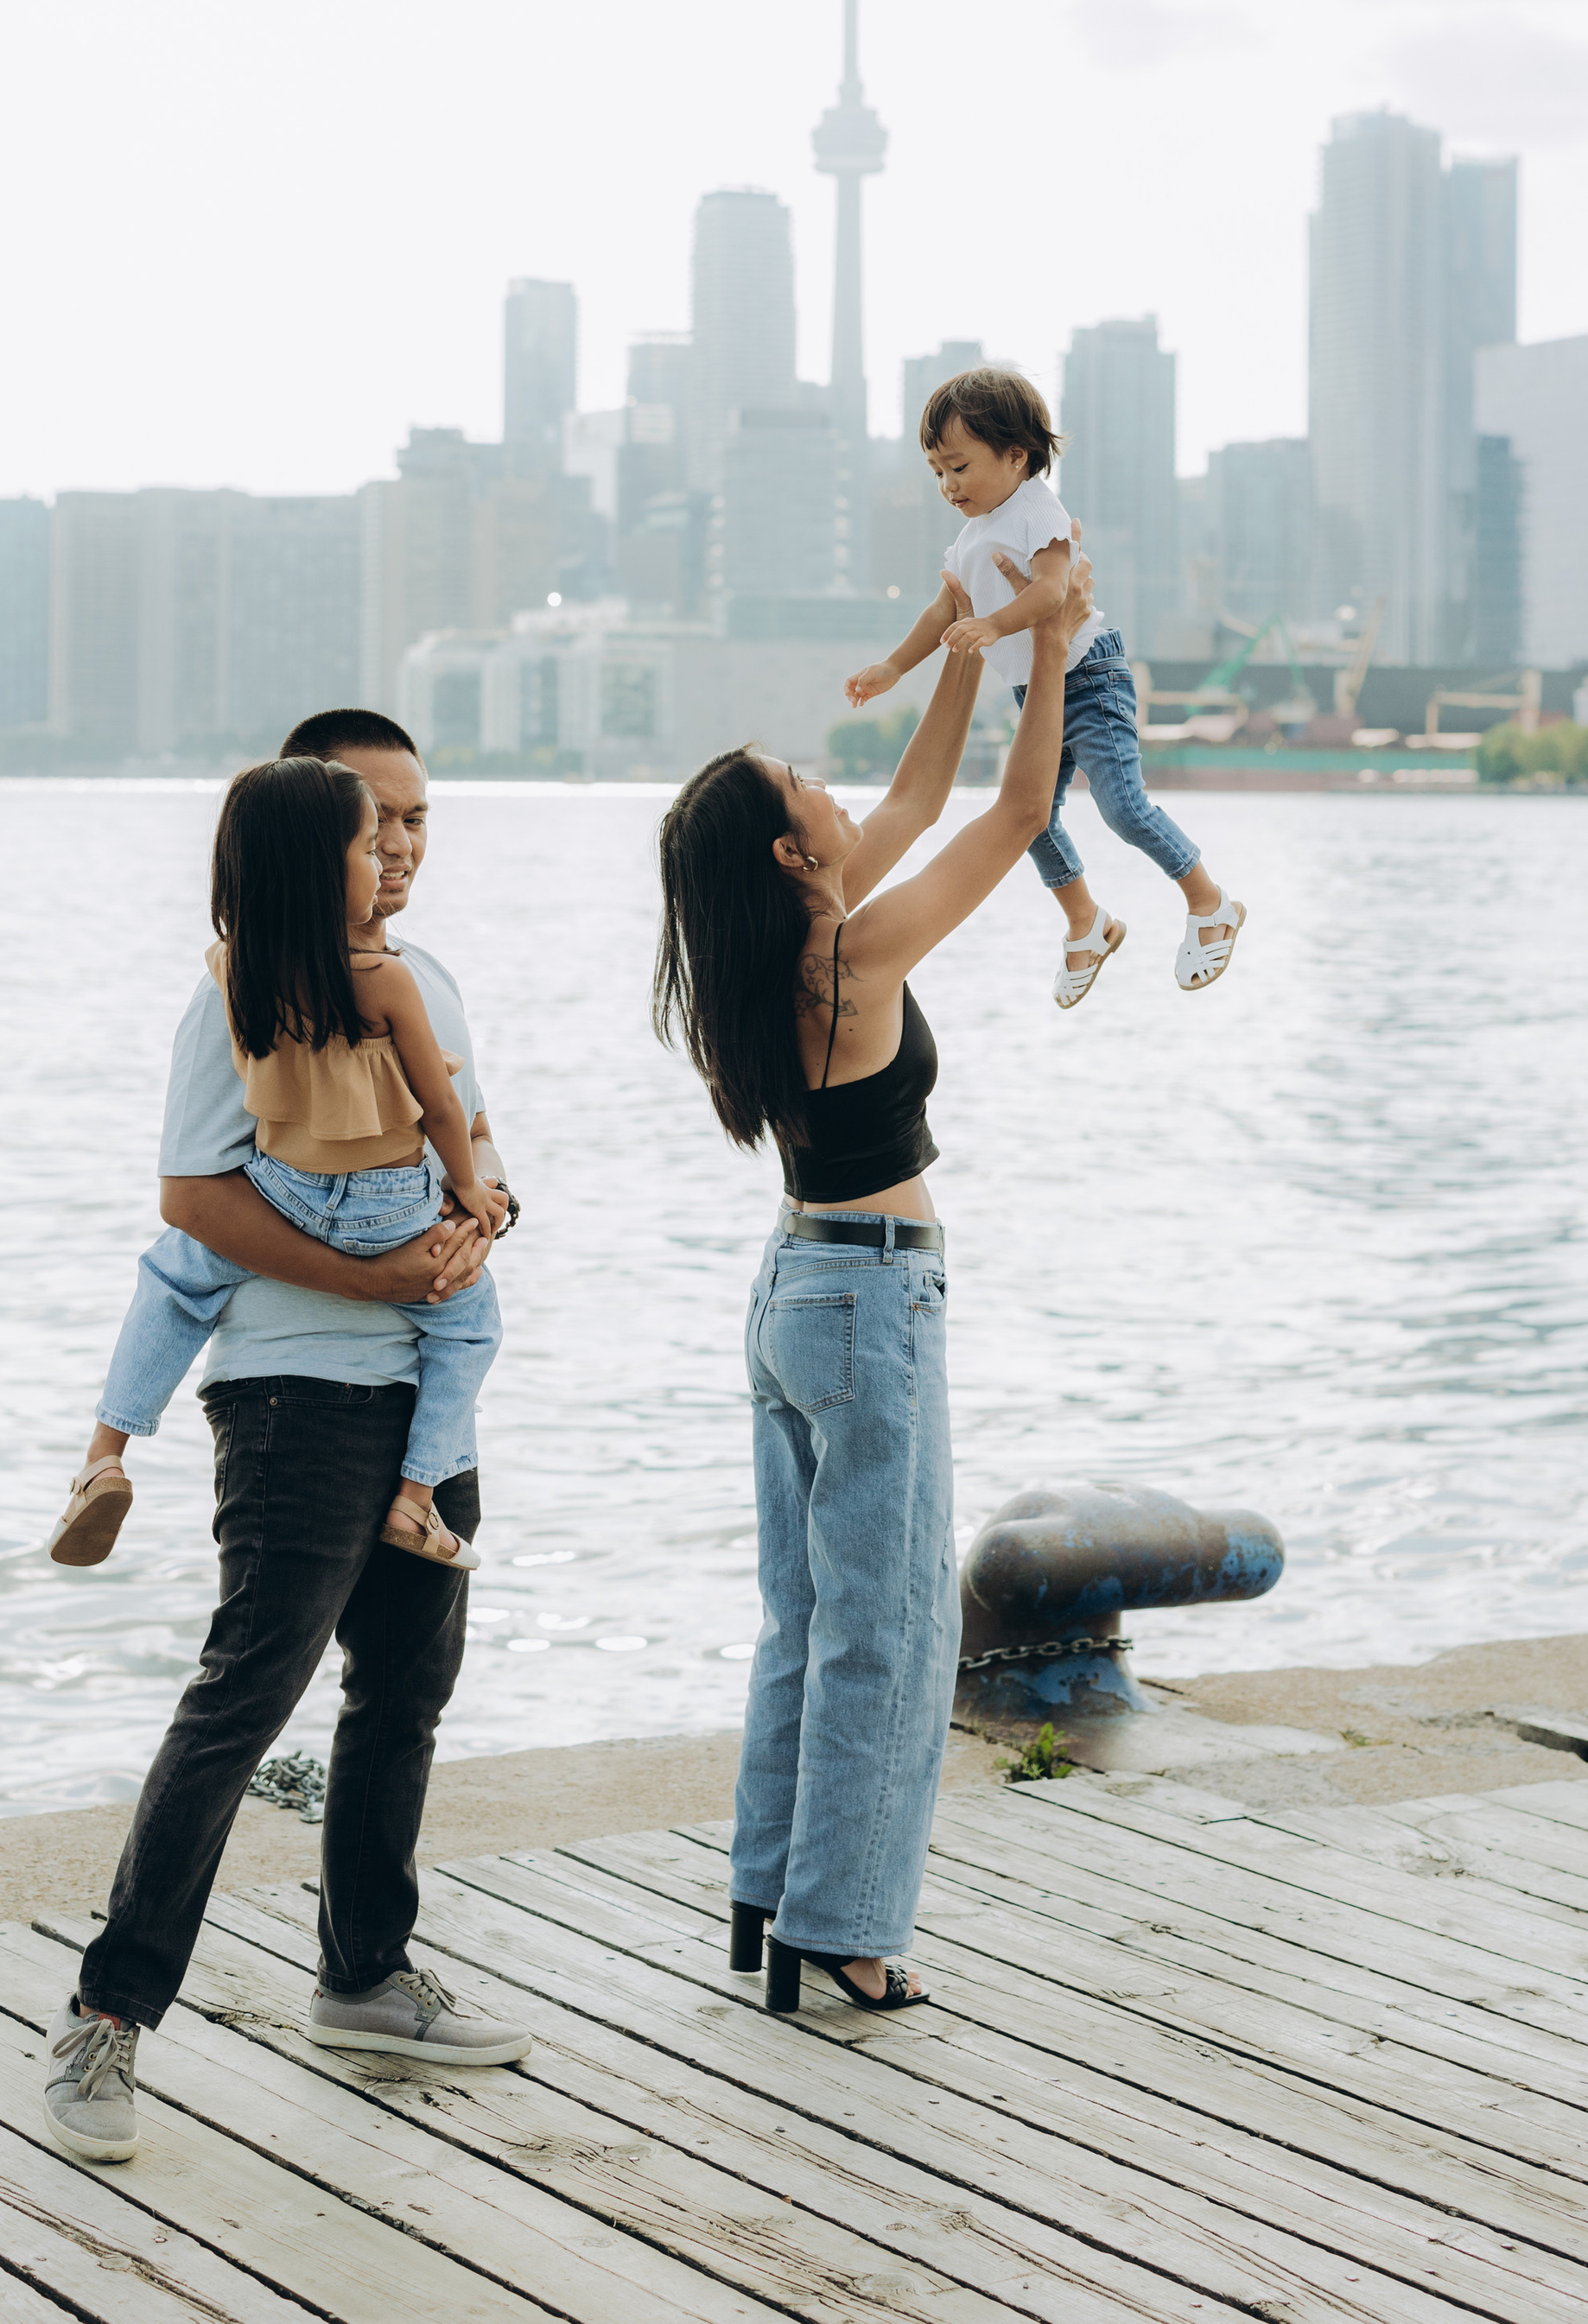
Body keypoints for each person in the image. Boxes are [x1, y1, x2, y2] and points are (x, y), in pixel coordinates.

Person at [42, 709, 531, 2168]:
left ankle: (366, 1980)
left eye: (417, 820)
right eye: (371, 821)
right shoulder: (234, 998)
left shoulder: (423, 979)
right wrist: (379, 1278)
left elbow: (473, 1148)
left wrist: (482, 1222)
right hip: (296, 1400)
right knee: (241, 1701)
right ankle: (107, 2019)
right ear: (307, 836)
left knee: (405, 1695)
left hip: (424, 1403)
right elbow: (195, 1206)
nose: (398, 845)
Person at [653, 550, 1092, 2018]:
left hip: (796, 1293)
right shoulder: (849, 955)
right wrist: (1061, 649)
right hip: (869, 1306)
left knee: (806, 1616)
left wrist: (971, 644)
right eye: (807, 791)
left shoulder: (783, 950)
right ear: (790, 854)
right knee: (892, 1632)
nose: (839, 796)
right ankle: (845, 1929)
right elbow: (1017, 817)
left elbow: (915, 807)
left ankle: (772, 1898)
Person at [49, 753, 503, 1577]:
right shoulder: (389, 980)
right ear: (326, 867)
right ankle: (417, 1499)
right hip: (390, 1203)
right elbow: (448, 1114)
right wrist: (473, 1193)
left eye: (411, 825)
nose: (389, 856)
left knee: (175, 1279)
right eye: (370, 843)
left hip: (287, 1189)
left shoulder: (236, 971)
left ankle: (105, 1453)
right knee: (470, 1325)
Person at [845, 363, 1243, 1009]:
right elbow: (942, 610)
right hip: (1037, 690)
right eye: (938, 472)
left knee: (1121, 805)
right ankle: (1087, 923)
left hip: (1087, 678)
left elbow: (1054, 592)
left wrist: (993, 623)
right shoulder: (971, 538)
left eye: (960, 467)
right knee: (1030, 821)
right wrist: (893, 667)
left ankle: (1210, 902)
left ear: (1015, 454)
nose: (948, 485)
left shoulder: (1038, 511)